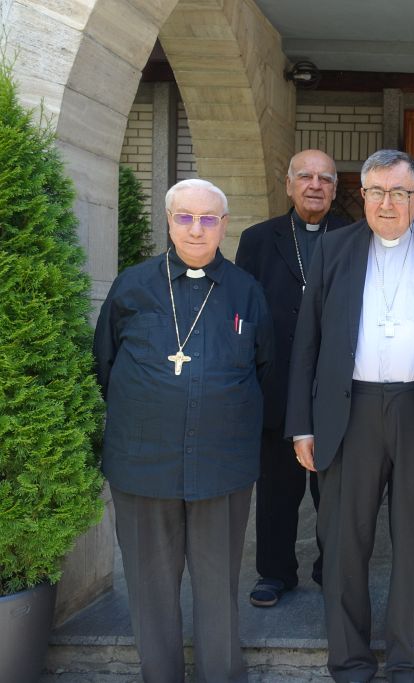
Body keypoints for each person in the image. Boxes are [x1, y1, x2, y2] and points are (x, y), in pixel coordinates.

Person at [285, 149, 414, 682]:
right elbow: (306, 342)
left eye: (399, 192)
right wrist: (301, 423)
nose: (385, 203)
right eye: (375, 191)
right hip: (349, 411)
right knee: (343, 543)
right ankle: (350, 661)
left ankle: (409, 662)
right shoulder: (334, 250)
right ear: (363, 196)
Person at [93, 178, 273, 682]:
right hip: (143, 461)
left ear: (224, 225)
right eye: (185, 217)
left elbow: (266, 367)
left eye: (208, 218)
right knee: (150, 586)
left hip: (222, 464)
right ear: (169, 221)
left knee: (218, 585)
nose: (197, 229)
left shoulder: (246, 290)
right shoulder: (132, 285)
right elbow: (105, 361)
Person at [236, 149, 345, 607]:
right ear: (288, 184)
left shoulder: (355, 236)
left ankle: (333, 569)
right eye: (305, 176)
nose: (315, 185)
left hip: (339, 388)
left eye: (324, 178)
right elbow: (241, 310)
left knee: (337, 493)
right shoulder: (258, 239)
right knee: (277, 491)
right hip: (276, 385)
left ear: (335, 188)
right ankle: (275, 573)